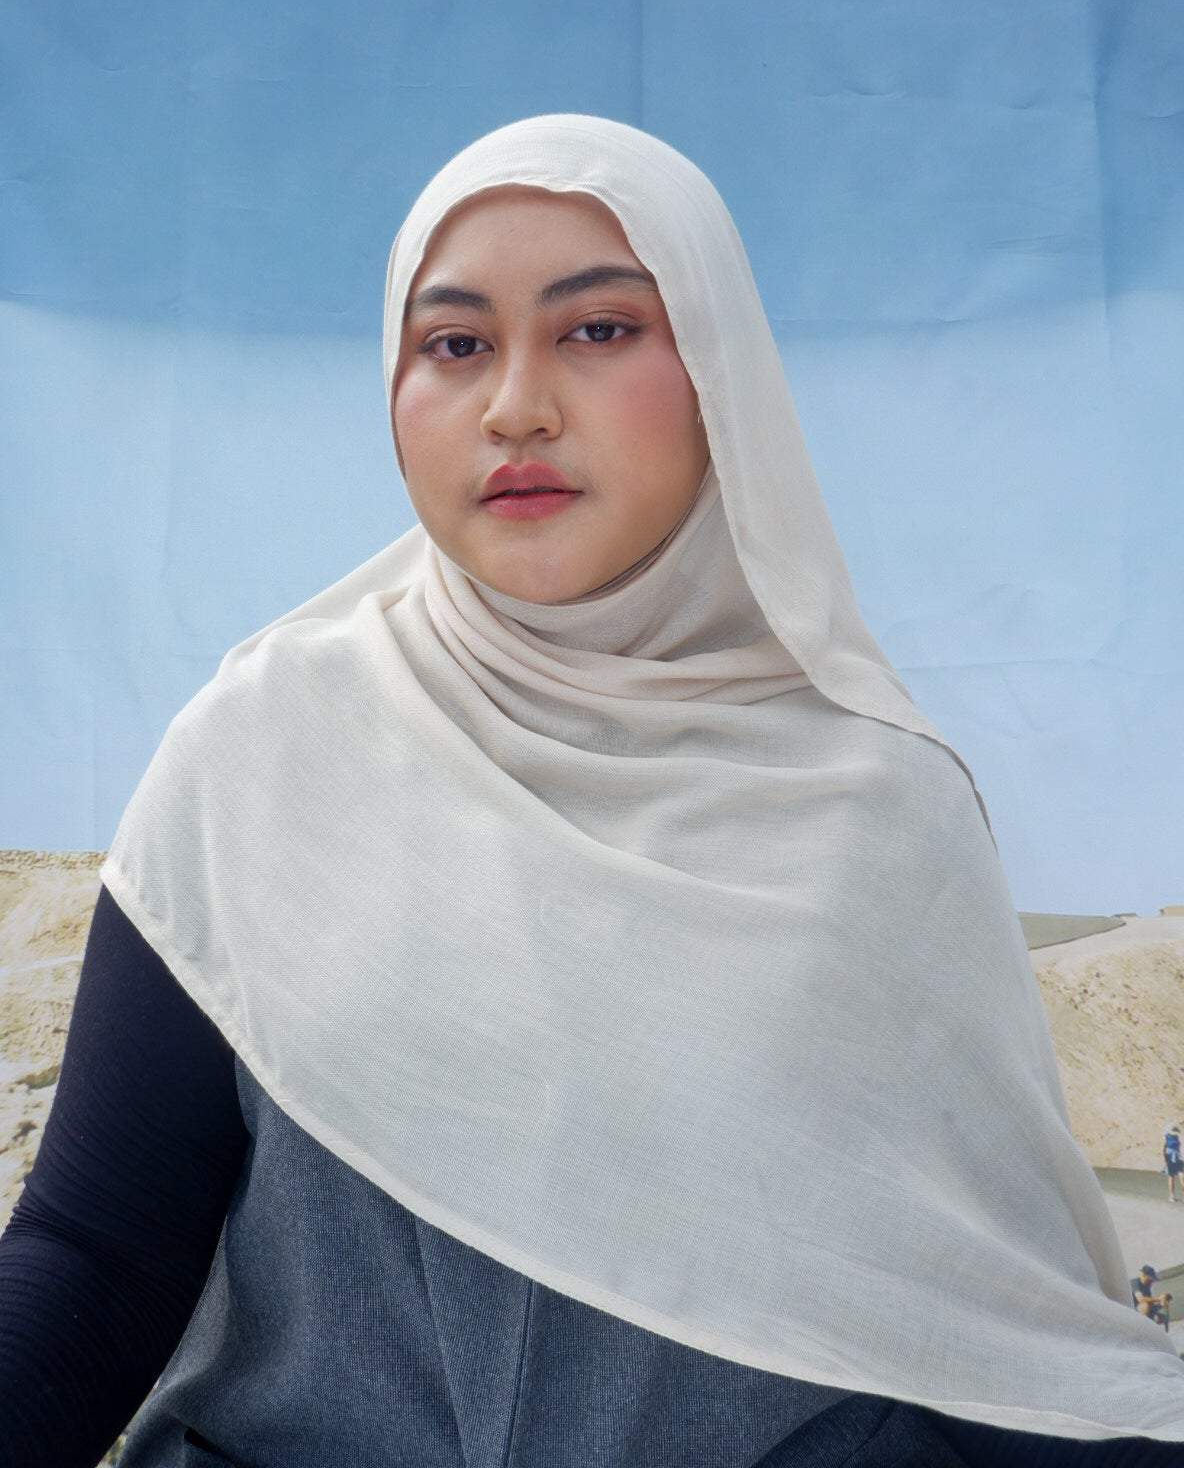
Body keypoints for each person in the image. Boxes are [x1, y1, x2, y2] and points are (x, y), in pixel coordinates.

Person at [2, 114, 1183, 1467]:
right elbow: (95, 1259)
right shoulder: (264, 751)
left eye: (598, 330)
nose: (515, 404)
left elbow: (989, 1343)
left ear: (721, 375)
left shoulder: (881, 815)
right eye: (454, 345)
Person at [1164, 1125, 1182, 1202]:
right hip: (1173, 1156)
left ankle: (1172, 1195)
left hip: (1176, 1156)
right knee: (1173, 1176)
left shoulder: (1175, 1137)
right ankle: (1172, 1195)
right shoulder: (1169, 1137)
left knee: (1178, 1176)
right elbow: (1164, 1148)